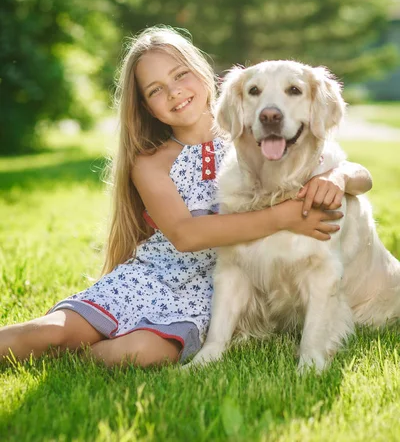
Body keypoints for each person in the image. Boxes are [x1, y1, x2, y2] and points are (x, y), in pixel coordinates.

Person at [0, 26, 372, 368]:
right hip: (149, 277)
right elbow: (186, 235)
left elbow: (356, 173)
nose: (174, 92)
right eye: (155, 90)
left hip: (206, 293)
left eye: (180, 76)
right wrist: (284, 217)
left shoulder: (247, 138)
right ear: (146, 107)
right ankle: (51, 344)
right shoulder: (150, 162)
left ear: (202, 73)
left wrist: (337, 177)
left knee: (137, 353)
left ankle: (63, 360)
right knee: (52, 331)